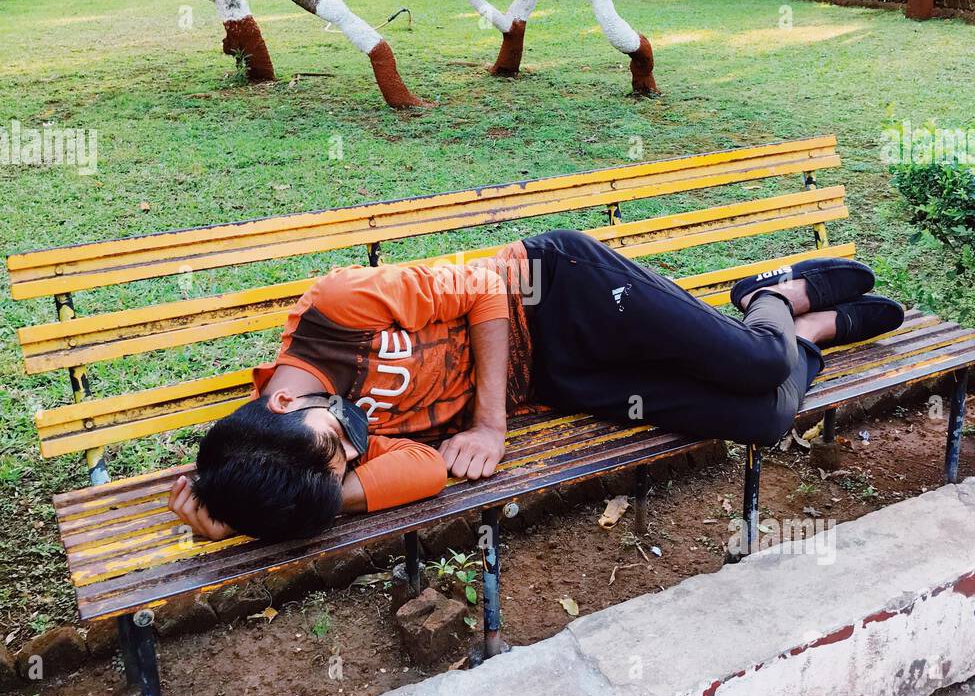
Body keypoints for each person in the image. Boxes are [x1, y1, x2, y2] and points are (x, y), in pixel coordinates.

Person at [168, 230, 904, 542]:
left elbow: (485, 289)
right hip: (560, 382)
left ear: (282, 402)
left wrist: (488, 427)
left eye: (334, 440)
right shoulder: (312, 456)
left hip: (558, 289)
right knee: (766, 417)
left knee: (756, 367)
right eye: (345, 461)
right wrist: (277, 513)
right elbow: (425, 469)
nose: (357, 440)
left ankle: (770, 295)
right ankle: (807, 332)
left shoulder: (337, 308)